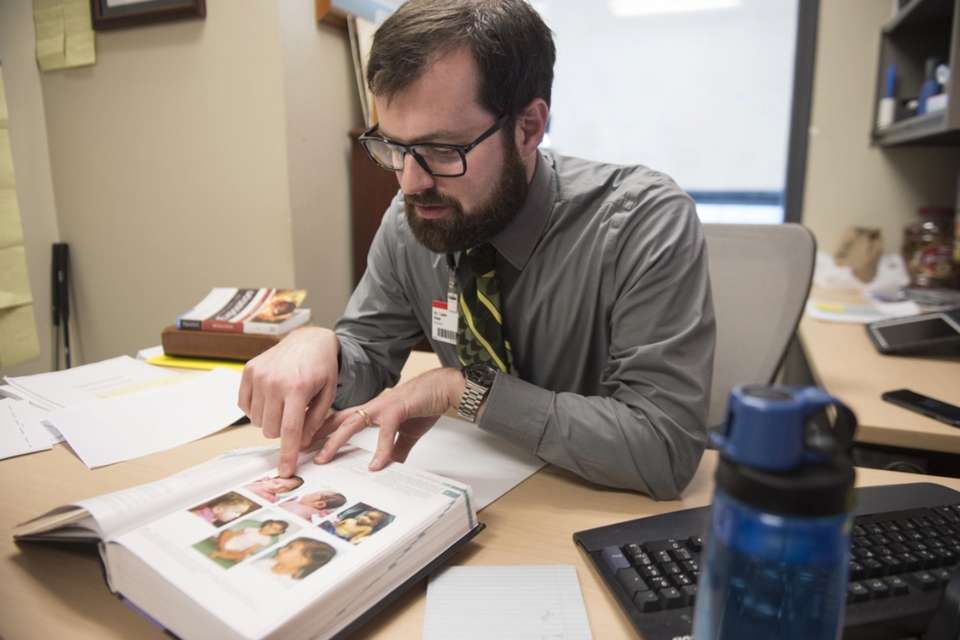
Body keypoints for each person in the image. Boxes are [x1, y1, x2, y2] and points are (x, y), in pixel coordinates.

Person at [239, 0, 715, 499]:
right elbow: (369, 357)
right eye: (394, 148)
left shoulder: (642, 221)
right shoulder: (413, 220)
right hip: (467, 497)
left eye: (444, 150)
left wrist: (464, 389)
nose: (410, 182)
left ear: (529, 128)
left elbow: (663, 448)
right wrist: (323, 348)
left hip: (593, 512)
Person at [251, 538, 337, 583]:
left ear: (300, 560)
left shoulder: (290, 583)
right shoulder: (265, 562)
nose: (280, 549)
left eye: (289, 549)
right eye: (286, 546)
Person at [208, 519, 289, 563]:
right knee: (227, 532)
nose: (269, 528)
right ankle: (222, 548)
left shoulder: (266, 539)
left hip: (236, 549)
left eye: (274, 529)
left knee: (241, 556)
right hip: (229, 542)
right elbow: (236, 533)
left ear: (278, 532)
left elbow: (253, 548)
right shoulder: (253, 529)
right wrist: (224, 538)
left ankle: (218, 554)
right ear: (267, 523)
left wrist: (244, 553)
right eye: (270, 525)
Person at [320, 510, 389, 545]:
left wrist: (350, 544)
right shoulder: (350, 520)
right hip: (332, 531)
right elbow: (336, 525)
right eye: (365, 515)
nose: (364, 518)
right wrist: (335, 523)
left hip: (343, 538)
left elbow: (356, 538)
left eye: (371, 519)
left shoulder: (367, 528)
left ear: (374, 523)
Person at [190, 492, 259, 526]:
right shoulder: (198, 519)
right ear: (217, 509)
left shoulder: (210, 517)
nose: (238, 516)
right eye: (237, 512)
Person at [279, 490, 347, 523]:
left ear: (319, 504)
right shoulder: (296, 502)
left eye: (312, 495)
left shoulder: (312, 513)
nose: (307, 494)